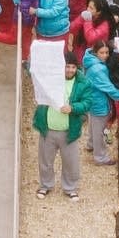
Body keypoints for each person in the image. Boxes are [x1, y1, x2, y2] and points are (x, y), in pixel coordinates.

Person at [35, 50, 89, 201]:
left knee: (71, 161)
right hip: (48, 129)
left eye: (73, 67)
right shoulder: (50, 78)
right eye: (67, 66)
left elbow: (87, 102)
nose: (70, 70)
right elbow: (33, 71)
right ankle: (45, 185)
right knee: (45, 160)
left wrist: (73, 108)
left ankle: (70, 187)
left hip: (68, 131)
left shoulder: (83, 82)